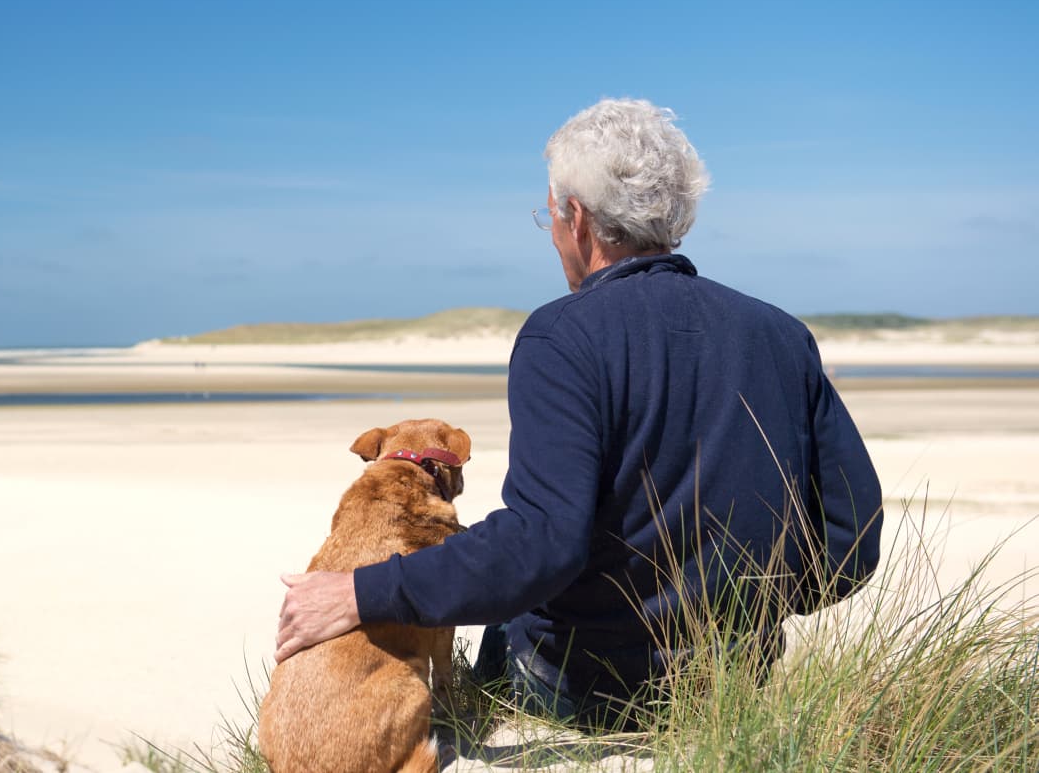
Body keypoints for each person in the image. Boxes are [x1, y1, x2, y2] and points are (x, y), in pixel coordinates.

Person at [275, 98, 883, 729]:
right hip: (737, 683)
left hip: (579, 690)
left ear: (577, 217)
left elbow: (541, 542)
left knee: (509, 621)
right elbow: (852, 539)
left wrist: (362, 592)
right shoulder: (780, 334)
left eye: (550, 215)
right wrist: (744, 617)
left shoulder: (561, 336)